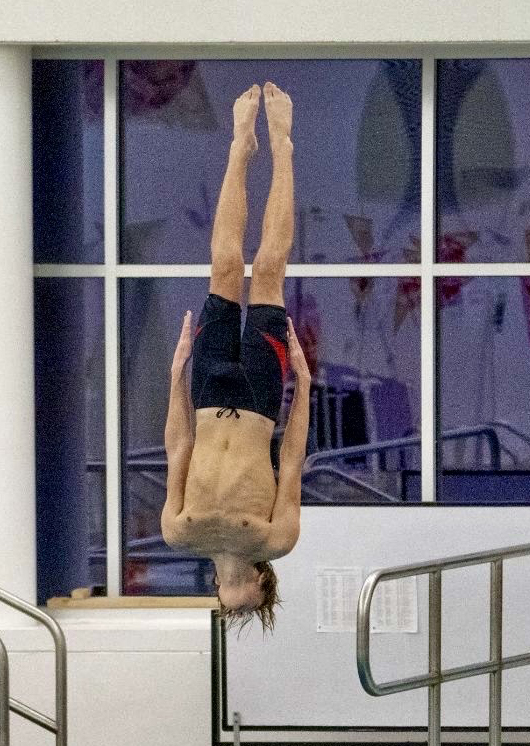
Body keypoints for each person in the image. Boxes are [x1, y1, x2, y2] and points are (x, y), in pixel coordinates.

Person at [161, 81, 311, 632]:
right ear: (260, 583)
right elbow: (292, 459)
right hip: (260, 398)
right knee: (270, 268)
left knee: (224, 266)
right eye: (241, 606)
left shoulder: (181, 532)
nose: (229, 603)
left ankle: (239, 147)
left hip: (207, 396)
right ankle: (283, 146)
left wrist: (177, 376)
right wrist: (305, 385)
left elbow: (178, 446)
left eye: (227, 605)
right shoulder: (277, 539)